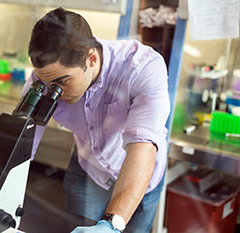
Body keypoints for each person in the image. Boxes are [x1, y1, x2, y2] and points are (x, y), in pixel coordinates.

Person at [21, 7, 170, 233]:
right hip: (89, 167)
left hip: (141, 172)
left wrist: (111, 224)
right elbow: (21, 140)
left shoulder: (142, 68)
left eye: (63, 82)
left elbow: (142, 146)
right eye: (50, 85)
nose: (56, 92)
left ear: (91, 58)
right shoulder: (45, 79)